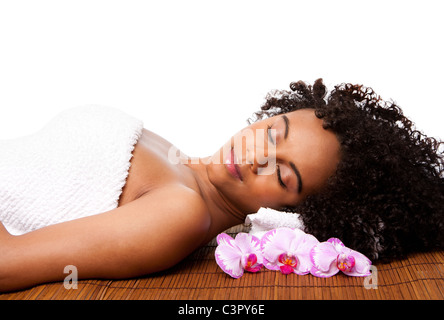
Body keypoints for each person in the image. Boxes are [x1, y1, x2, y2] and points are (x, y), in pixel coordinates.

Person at [0, 79, 442, 292]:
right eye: (273, 133)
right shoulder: (175, 158)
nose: (254, 158)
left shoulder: (180, 213)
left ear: (301, 210)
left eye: (283, 175)